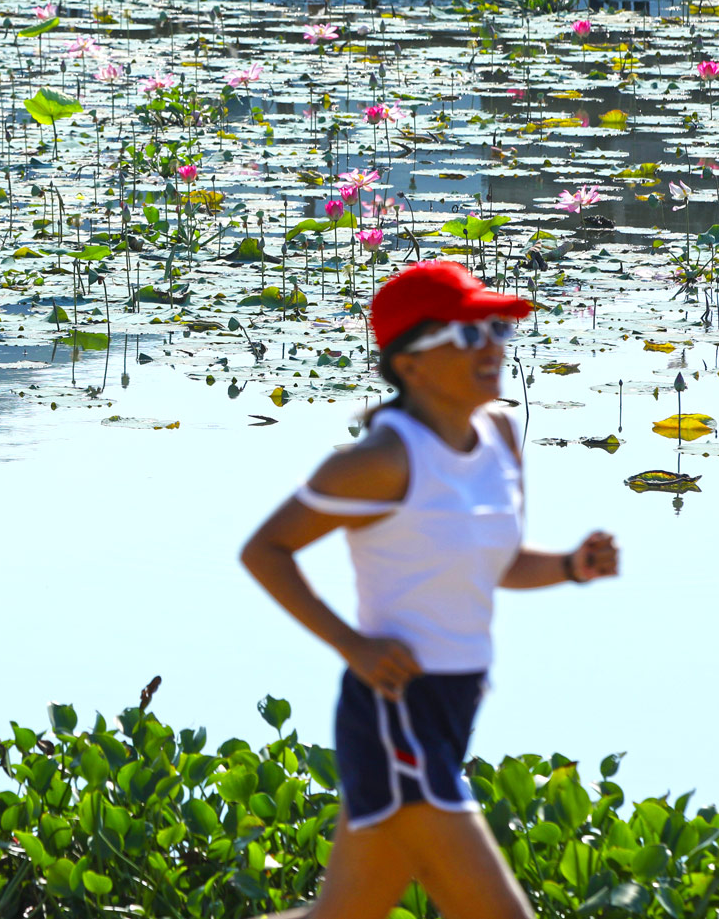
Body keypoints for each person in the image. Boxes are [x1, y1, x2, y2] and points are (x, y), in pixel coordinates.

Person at [239, 260, 619, 919]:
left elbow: (494, 564)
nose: (493, 346)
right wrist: (352, 645)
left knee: (342, 916)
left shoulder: (500, 432)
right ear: (410, 361)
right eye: (468, 334)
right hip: (396, 706)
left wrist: (568, 566)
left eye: (496, 328)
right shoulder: (380, 460)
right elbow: (264, 550)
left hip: (455, 701)